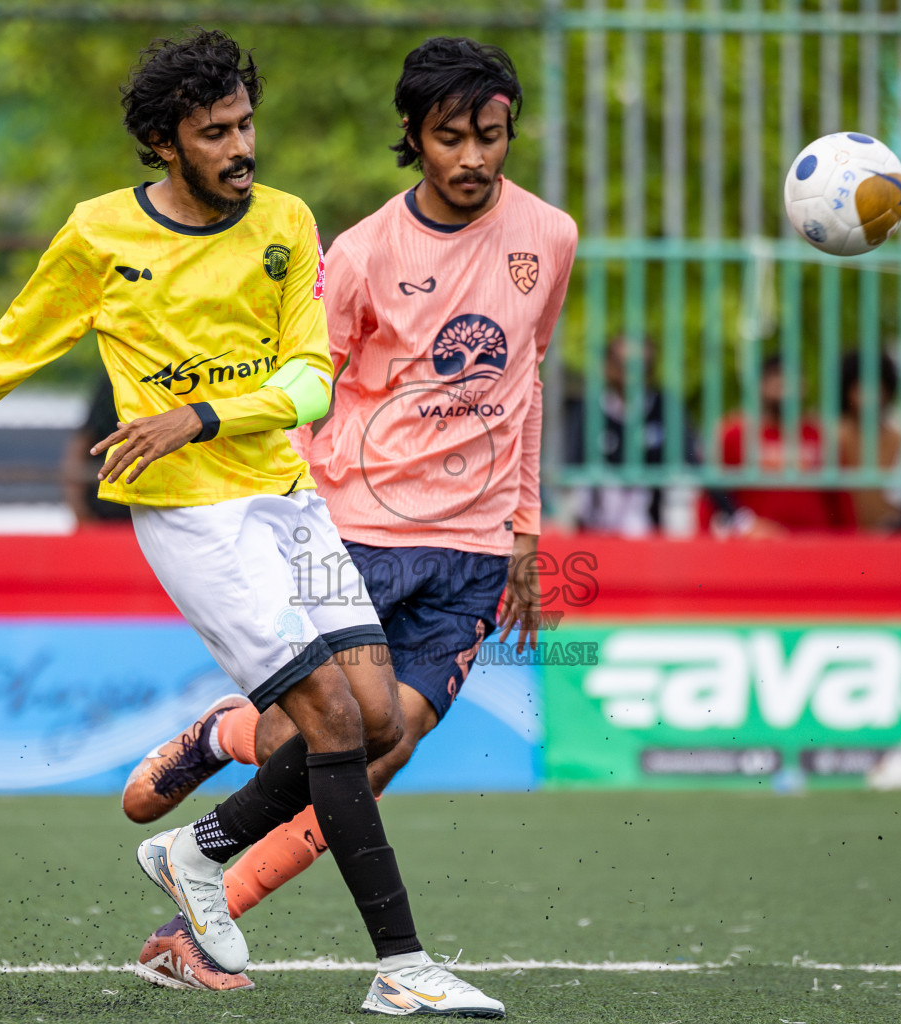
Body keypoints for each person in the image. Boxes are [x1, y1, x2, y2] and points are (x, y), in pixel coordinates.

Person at [0, 30, 501, 1018]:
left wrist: (200, 414)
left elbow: (310, 382)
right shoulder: (99, 238)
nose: (243, 146)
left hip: (287, 503)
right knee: (332, 721)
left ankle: (190, 850)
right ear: (164, 142)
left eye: (247, 123)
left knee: (376, 719)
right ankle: (402, 968)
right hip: (194, 520)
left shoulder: (286, 221)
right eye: (216, 133)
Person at [119, 35, 574, 1000]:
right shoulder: (361, 253)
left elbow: (526, 381)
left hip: (476, 552)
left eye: (491, 136)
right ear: (414, 136)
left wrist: (525, 533)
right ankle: (226, 753)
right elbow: (302, 386)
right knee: (333, 739)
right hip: (356, 527)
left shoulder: (552, 237)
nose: (474, 158)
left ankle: (201, 896)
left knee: (382, 748)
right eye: (451, 137)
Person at [702, 354, 852, 535]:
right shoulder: (734, 435)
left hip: (815, 541)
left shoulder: (822, 436)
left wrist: (848, 541)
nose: (786, 390)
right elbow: (712, 495)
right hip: (756, 545)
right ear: (760, 386)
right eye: (777, 382)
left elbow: (841, 499)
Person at [564, 335, 696, 537]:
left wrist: (738, 518)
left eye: (642, 366)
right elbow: (570, 469)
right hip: (594, 532)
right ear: (608, 366)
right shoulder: (589, 410)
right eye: (623, 365)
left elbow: (696, 464)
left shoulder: (665, 408)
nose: (632, 375)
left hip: (652, 532)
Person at [837, 349, 901, 531]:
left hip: (889, 538)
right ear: (847, 390)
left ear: (887, 390)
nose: (868, 395)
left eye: (875, 386)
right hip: (843, 538)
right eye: (859, 387)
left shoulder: (900, 440)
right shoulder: (834, 438)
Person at [64, 376, 134, 523]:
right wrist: (79, 507)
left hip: (159, 504)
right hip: (108, 509)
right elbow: (84, 440)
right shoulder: (116, 381)